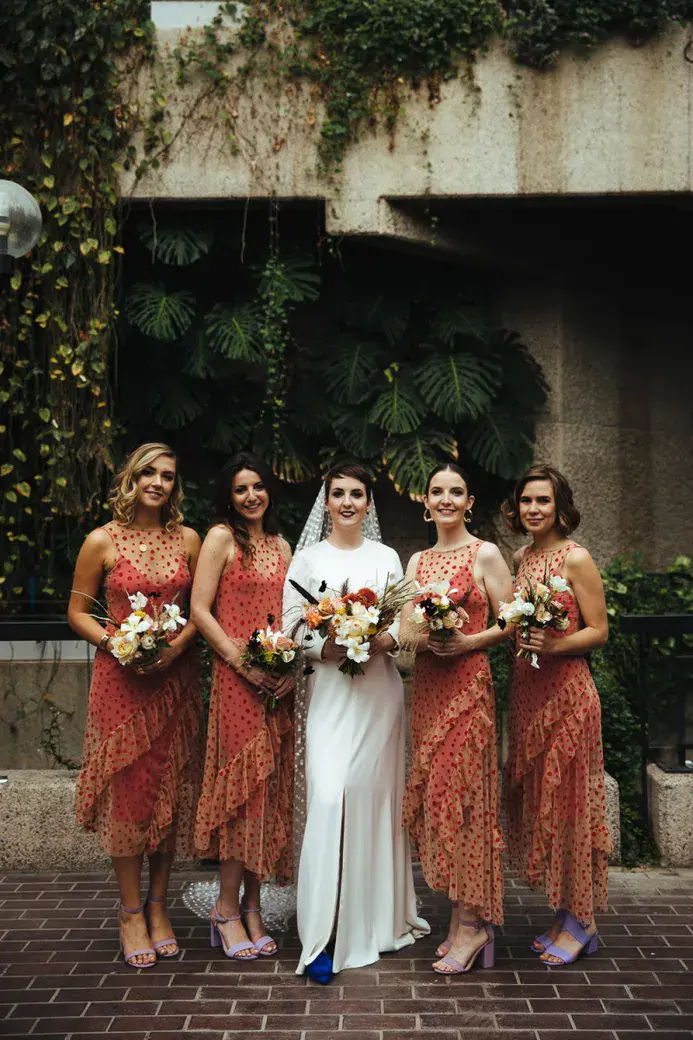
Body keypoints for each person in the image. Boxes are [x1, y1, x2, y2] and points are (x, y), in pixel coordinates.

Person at [283, 464, 429, 980]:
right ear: (325, 502)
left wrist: (379, 640)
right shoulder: (307, 557)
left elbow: (408, 622)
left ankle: (369, 919)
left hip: (377, 694)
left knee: (369, 801)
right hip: (329, 694)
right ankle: (320, 934)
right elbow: (290, 628)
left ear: (369, 504)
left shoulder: (385, 557)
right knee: (328, 796)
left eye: (357, 494)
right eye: (337, 493)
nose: (347, 501)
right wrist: (329, 643)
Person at [68, 442, 202, 968]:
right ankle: (129, 912)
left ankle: (159, 906)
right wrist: (117, 643)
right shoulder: (101, 540)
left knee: (168, 790)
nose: (157, 482)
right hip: (120, 684)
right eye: (148, 472)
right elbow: (78, 613)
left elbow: (200, 610)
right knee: (129, 795)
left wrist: (174, 648)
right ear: (131, 478)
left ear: (175, 485)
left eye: (167, 475)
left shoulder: (188, 539)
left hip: (175, 679)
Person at [400, 462, 512, 975]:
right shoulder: (418, 559)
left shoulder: (485, 553)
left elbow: (512, 620)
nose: (446, 499)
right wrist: (427, 632)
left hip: (468, 687)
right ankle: (457, 918)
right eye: (437, 492)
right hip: (427, 688)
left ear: (470, 502)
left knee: (466, 797)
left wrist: (468, 639)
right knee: (439, 800)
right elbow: (404, 631)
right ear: (426, 501)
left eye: (457, 492)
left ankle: (473, 922)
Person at [502, 464, 611, 966]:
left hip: (568, 698)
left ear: (560, 506)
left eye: (542, 501)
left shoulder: (577, 558)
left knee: (571, 807)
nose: (533, 509)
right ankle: (567, 913)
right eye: (526, 501)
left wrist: (558, 642)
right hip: (529, 696)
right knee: (546, 805)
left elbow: (600, 630)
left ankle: (584, 923)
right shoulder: (522, 557)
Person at [192, 453, 294, 960]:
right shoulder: (220, 538)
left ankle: (255, 908)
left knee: (269, 794)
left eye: (258, 487)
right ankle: (226, 908)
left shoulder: (280, 544)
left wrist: (287, 665)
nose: (251, 496)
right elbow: (199, 610)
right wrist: (241, 662)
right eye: (240, 490)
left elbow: (291, 614)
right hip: (237, 682)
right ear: (227, 497)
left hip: (278, 683)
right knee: (241, 796)